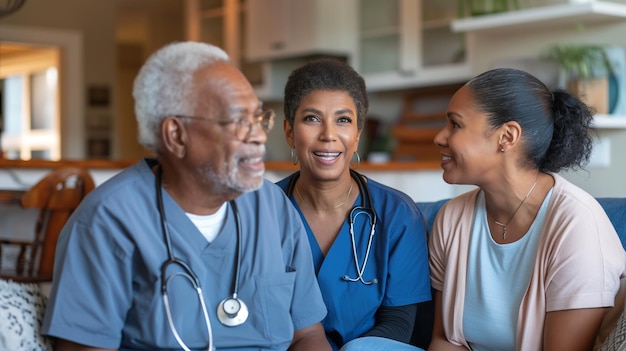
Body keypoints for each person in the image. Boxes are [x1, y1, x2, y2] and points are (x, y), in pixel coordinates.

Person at [41, 41, 331, 351]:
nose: (259, 135)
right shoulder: (106, 222)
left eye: (259, 118)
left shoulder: (271, 206)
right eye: (238, 121)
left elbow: (308, 335)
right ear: (177, 135)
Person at [429, 67, 626, 351]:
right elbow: (445, 340)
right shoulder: (451, 218)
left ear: (507, 136)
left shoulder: (576, 224)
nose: (439, 137)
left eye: (455, 125)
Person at [276, 58, 432, 351]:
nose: (328, 135)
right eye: (312, 118)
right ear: (289, 132)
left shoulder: (397, 216)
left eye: (343, 120)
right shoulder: (260, 214)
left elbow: (399, 323)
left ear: (358, 134)